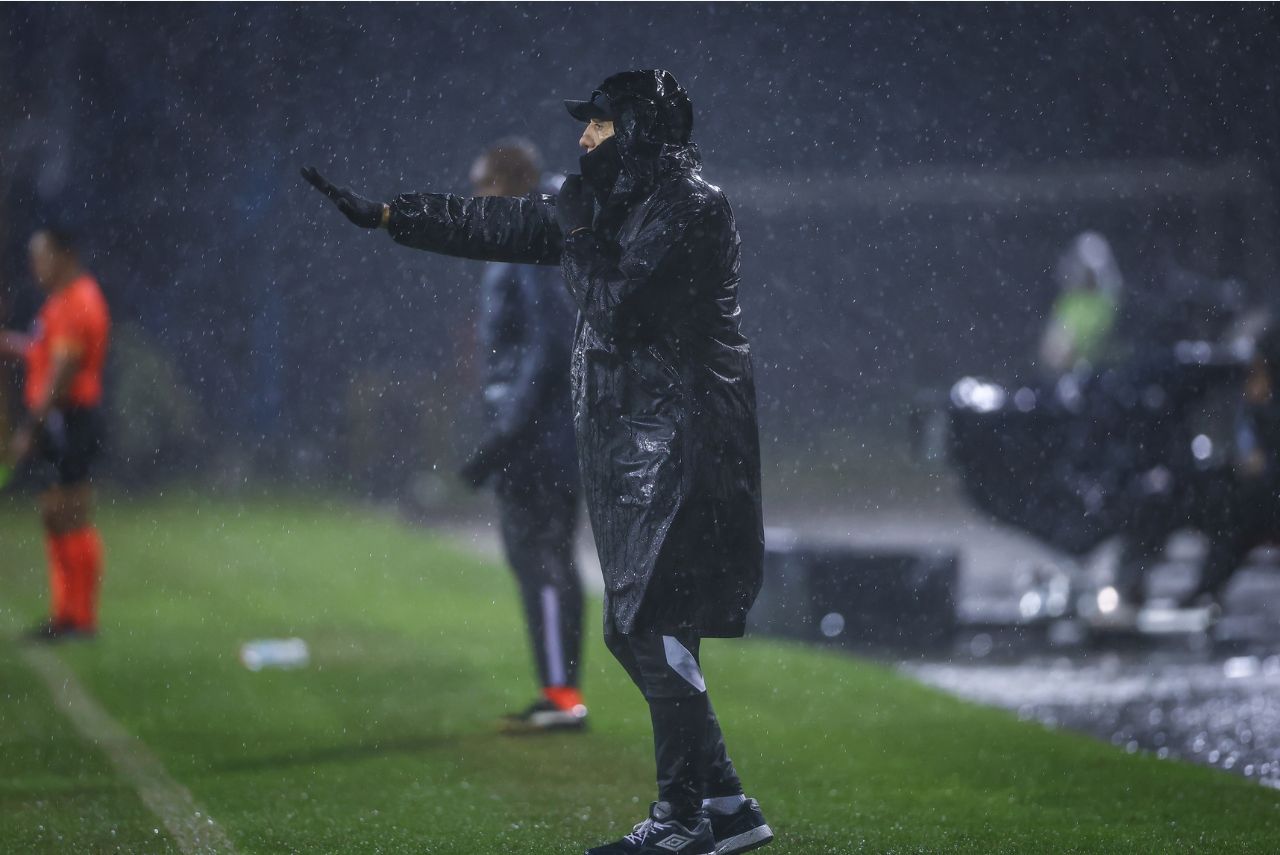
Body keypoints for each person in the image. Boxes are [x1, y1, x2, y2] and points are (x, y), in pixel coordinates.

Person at [303, 69, 773, 855]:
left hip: (684, 440)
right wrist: (393, 215)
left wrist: (579, 231)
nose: (584, 137)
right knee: (643, 628)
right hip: (633, 440)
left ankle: (682, 816)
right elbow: (501, 229)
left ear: (642, 130)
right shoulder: (614, 200)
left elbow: (614, 303)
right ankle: (723, 803)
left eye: (600, 124)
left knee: (647, 625)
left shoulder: (693, 206)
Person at [461, 138, 586, 733]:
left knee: (541, 559)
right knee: (547, 559)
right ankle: (560, 694)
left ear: (506, 184)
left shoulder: (532, 238)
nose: (476, 200)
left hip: (539, 439)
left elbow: (551, 343)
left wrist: (505, 435)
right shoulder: (540, 232)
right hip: (547, 433)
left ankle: (562, 698)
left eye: (482, 187)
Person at [0, 228, 110, 640]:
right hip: (61, 418)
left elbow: (63, 371)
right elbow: (45, 352)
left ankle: (80, 618)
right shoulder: (61, 302)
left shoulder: (79, 301)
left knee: (71, 512)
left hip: (71, 417)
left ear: (65, 255)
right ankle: (65, 613)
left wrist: (32, 425)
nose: (36, 265)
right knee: (55, 514)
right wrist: (13, 345)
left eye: (42, 256)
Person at [1039, 230, 1122, 376]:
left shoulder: (1108, 303)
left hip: (1100, 373)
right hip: (1070, 374)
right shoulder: (1069, 302)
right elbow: (1053, 348)